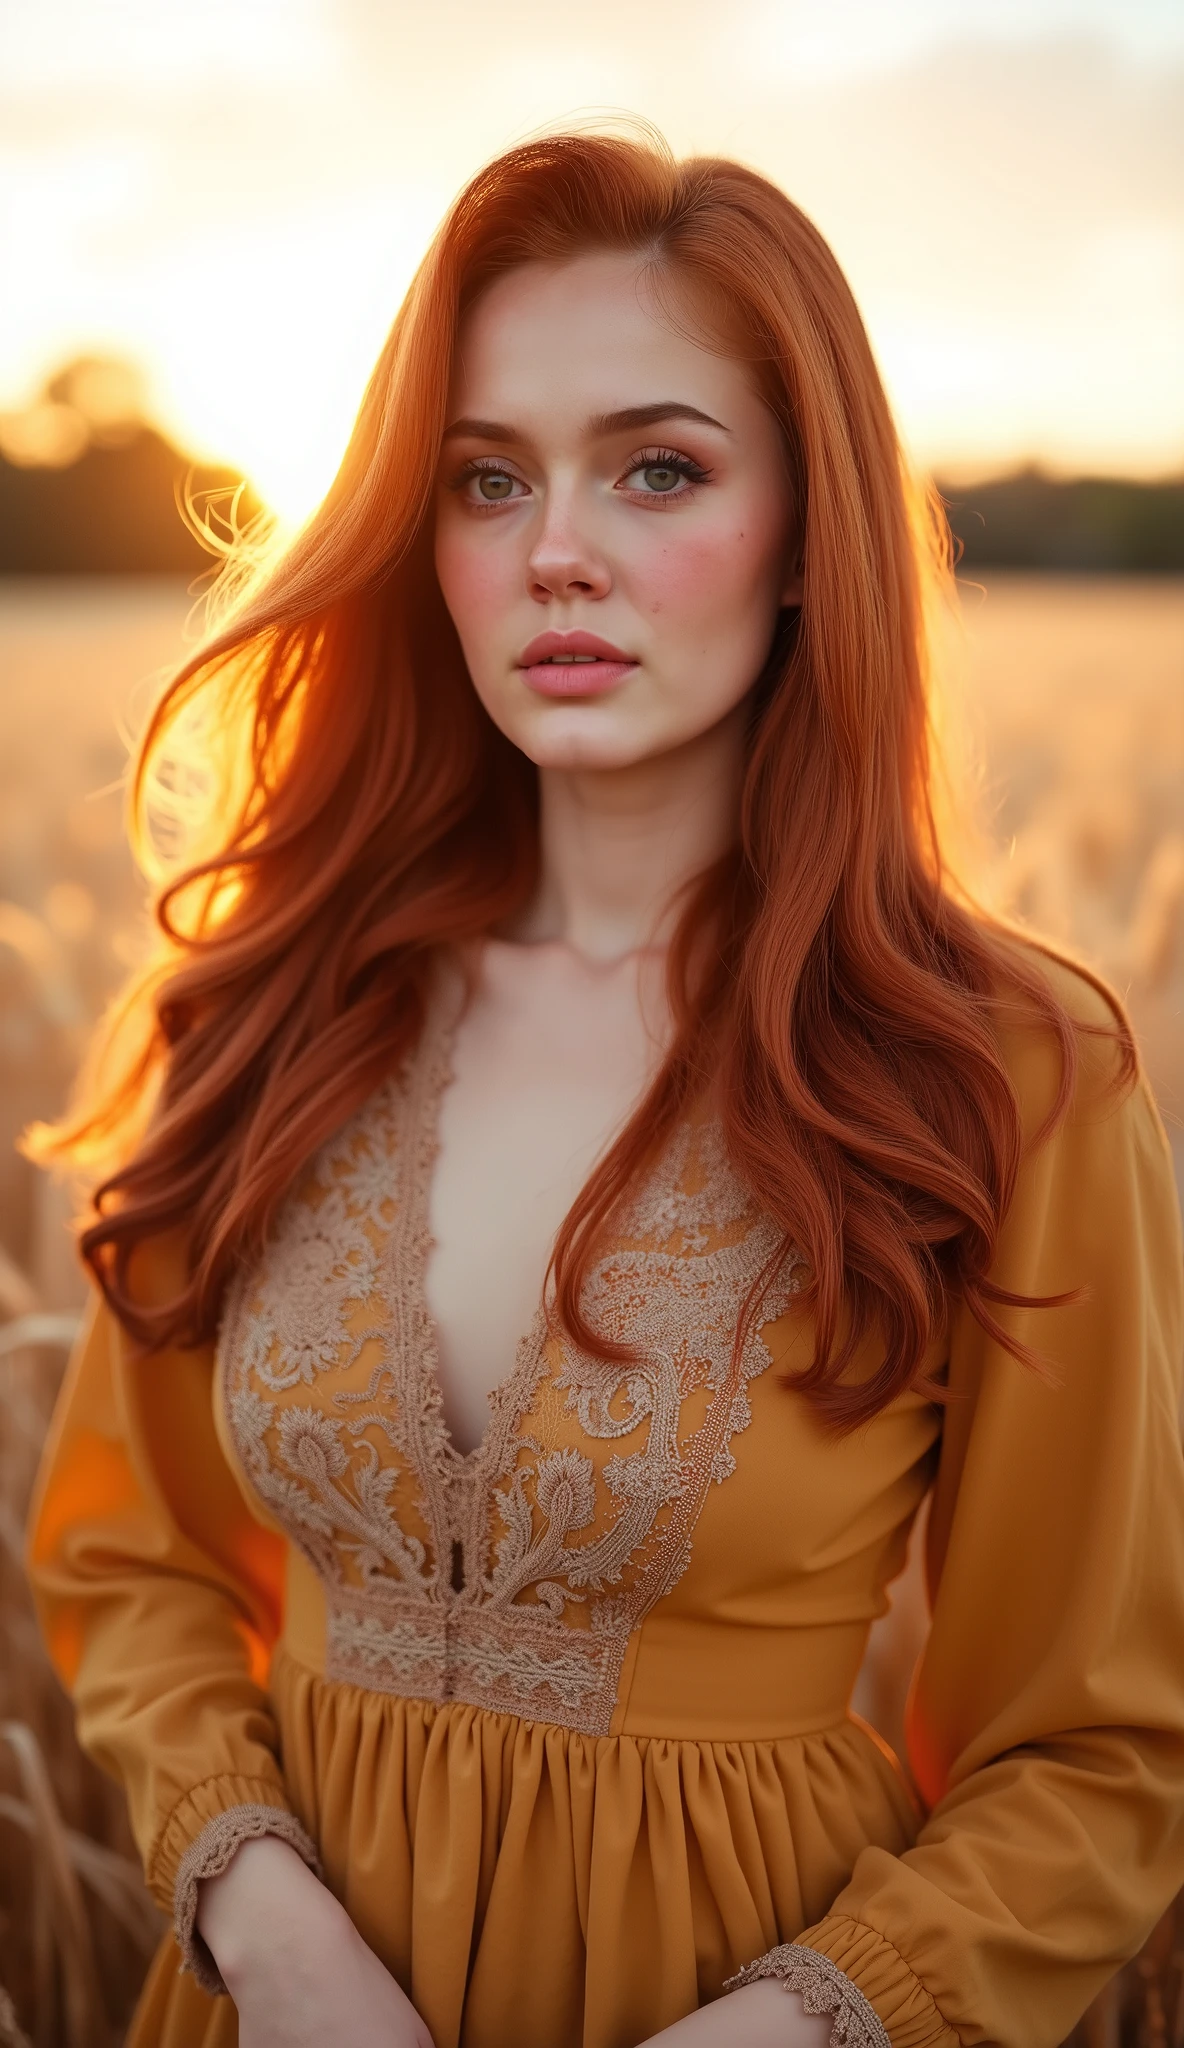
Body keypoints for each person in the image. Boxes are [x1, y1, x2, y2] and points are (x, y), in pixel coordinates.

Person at [25, 129, 1184, 2048]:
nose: (556, 549)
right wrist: (263, 1919)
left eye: (659, 469)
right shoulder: (272, 1004)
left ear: (808, 534)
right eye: (488, 480)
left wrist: (791, 2028)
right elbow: (130, 1554)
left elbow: (1101, 1752)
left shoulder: (1016, 1073)